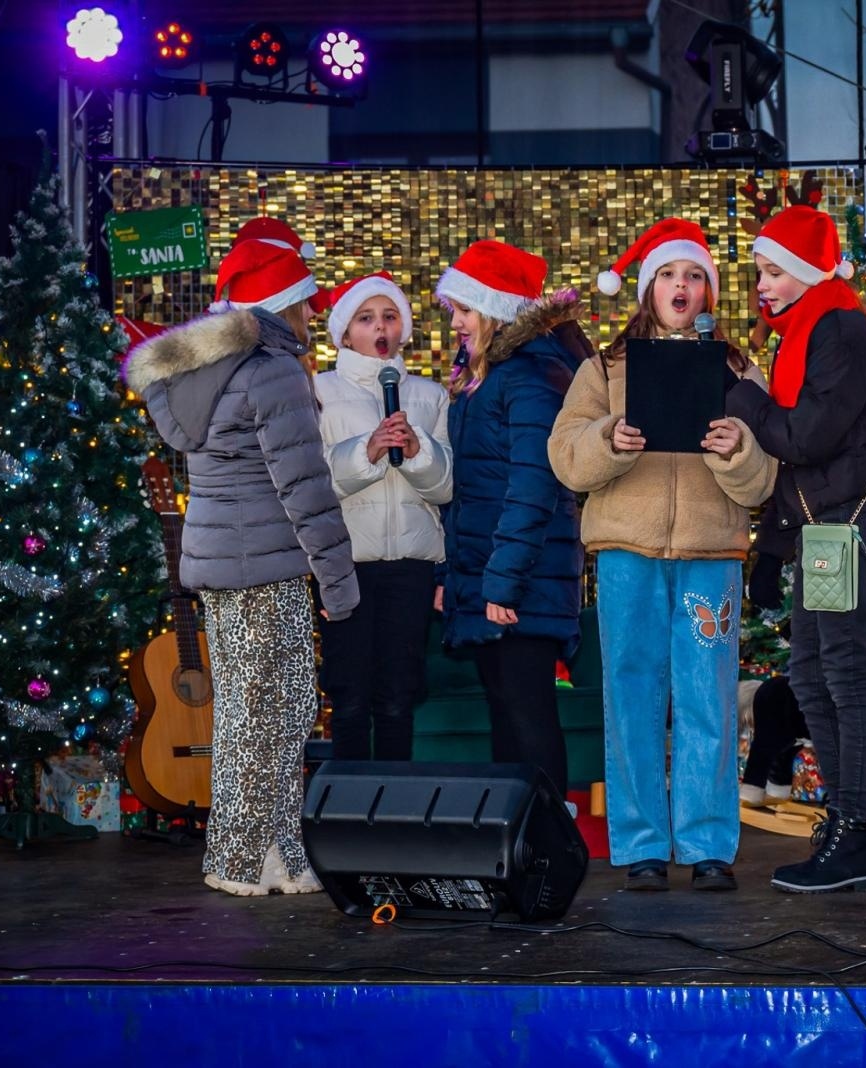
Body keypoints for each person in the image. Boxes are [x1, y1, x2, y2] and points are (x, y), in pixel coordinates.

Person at [548, 219, 775, 892]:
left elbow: (763, 481)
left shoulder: (738, 369)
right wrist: (608, 441)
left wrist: (737, 451)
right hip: (626, 552)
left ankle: (708, 845)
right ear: (649, 289)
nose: (683, 285)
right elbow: (564, 457)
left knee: (708, 699)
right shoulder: (604, 369)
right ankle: (643, 846)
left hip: (713, 553)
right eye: (671, 275)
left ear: (708, 291)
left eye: (695, 275)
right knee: (632, 695)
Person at [125, 240, 357, 896]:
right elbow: (305, 485)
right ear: (287, 303)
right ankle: (246, 857)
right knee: (280, 710)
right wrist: (338, 581)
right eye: (307, 300)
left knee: (245, 713)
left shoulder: (206, 369)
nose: (313, 312)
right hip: (266, 565)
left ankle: (265, 852)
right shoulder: (273, 369)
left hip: (221, 566)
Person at [725, 205, 866, 894]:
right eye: (760, 271)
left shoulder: (840, 332)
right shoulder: (806, 331)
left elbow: (805, 440)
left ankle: (854, 832)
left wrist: (744, 397)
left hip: (848, 527)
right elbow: (803, 466)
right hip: (824, 530)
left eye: (773, 271)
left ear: (803, 272)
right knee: (811, 673)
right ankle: (845, 823)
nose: (762, 285)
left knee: (844, 674)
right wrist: (772, 548)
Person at [435, 239, 589, 799]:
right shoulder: (489, 378)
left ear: (496, 311)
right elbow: (472, 491)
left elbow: (534, 486)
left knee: (528, 717)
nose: (455, 322)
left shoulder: (528, 377)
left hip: (522, 583)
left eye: (464, 309)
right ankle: (519, 838)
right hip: (493, 578)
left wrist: (502, 583)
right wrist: (452, 580)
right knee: (506, 714)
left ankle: (548, 838)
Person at [314, 272, 452, 760]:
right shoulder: (319, 393)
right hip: (346, 566)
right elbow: (310, 484)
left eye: (390, 317)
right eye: (366, 318)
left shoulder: (430, 397)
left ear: (404, 329)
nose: (380, 328)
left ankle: (396, 812)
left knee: (398, 698)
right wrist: (367, 451)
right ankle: (349, 818)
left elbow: (445, 487)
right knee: (349, 698)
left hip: (411, 567)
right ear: (345, 332)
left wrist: (417, 452)